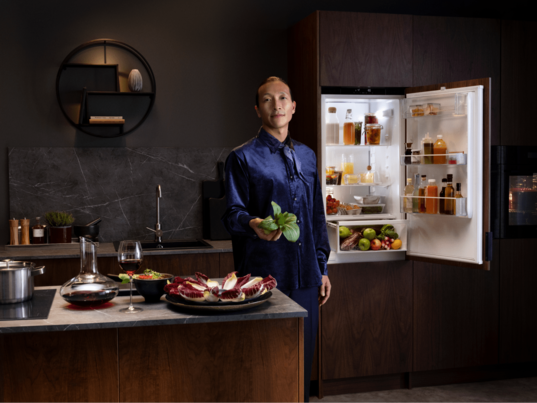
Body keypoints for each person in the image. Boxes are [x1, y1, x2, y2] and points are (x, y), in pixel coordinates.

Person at [222, 76, 331, 402]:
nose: (277, 104)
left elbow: (316, 217)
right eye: (268, 99)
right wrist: (253, 222)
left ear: (293, 107)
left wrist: (322, 267)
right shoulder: (241, 158)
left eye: (283, 97)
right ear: (258, 109)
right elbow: (231, 214)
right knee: (263, 363)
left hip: (307, 278)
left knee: (300, 363)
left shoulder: (308, 157)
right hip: (262, 277)